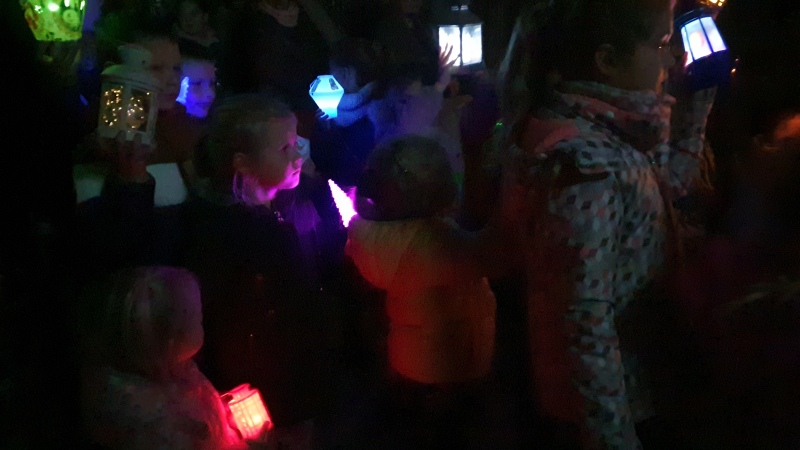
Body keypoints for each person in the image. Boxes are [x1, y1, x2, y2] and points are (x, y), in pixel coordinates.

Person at [497, 0, 716, 448]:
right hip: (618, 406)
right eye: (661, 44)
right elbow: (585, 323)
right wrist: (614, 437)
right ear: (608, 60)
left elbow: (667, 185)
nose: (674, 58)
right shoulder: (583, 166)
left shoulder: (616, 128)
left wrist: (696, 112)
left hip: (639, 383)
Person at [186, 94, 345, 448]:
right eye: (284, 148)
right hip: (269, 394)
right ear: (242, 163)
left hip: (306, 381)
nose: (297, 156)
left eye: (296, 143)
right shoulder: (223, 235)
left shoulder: (297, 202)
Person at [346, 135, 518, 448]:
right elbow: (496, 256)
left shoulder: (373, 236)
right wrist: (514, 195)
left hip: (409, 364)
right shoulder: (431, 244)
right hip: (451, 370)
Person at [78, 266, 251, 449]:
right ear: (172, 337)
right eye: (198, 318)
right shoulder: (153, 426)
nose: (203, 320)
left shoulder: (180, 370)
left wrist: (219, 413)